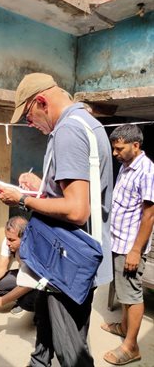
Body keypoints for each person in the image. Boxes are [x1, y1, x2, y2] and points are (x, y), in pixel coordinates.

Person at [0, 72, 113, 367]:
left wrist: (21, 198)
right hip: (68, 258)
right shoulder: (88, 124)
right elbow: (80, 194)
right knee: (45, 338)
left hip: (67, 260)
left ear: (41, 102)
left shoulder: (68, 132)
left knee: (72, 354)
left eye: (28, 117)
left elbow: (76, 209)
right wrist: (42, 187)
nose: (30, 125)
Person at [101, 124, 154, 365]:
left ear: (136, 145)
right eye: (114, 148)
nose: (115, 153)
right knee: (123, 290)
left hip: (129, 246)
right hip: (118, 241)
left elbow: (149, 215)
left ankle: (131, 346)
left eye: (119, 148)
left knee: (132, 295)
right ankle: (123, 327)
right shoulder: (126, 165)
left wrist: (135, 250)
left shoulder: (146, 170)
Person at [0, 216, 37, 316]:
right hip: (25, 276)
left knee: (26, 301)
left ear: (24, 237)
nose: (8, 243)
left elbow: (29, 283)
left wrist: (0, 302)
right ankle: (19, 297)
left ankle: (41, 312)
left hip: (40, 283)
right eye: (7, 238)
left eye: (12, 240)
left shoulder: (33, 248)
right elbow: (1, 268)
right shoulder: (8, 241)